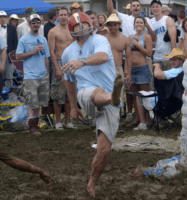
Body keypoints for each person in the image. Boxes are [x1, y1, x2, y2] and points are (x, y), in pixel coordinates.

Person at [62, 12, 123, 197]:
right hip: (86, 94)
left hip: (109, 99)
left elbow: (104, 56)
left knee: (104, 150)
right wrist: (73, 107)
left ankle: (91, 183)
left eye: (85, 29)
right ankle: (113, 96)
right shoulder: (67, 53)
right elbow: (69, 83)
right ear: (73, 31)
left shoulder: (100, 40)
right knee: (96, 92)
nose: (83, 33)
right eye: (79, 30)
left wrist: (82, 62)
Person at [16, 14, 50, 136]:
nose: (36, 24)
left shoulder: (43, 39)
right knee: (31, 101)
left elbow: (46, 57)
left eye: (38, 22)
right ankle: (32, 127)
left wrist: (47, 72)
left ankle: (36, 124)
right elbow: (18, 56)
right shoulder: (24, 39)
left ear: (40, 24)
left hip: (43, 75)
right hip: (30, 75)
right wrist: (33, 51)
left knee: (40, 102)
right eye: (33, 22)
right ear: (29, 24)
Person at [48, 7, 74, 130]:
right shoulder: (53, 31)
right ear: (57, 16)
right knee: (58, 95)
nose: (63, 17)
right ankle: (58, 121)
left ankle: (68, 121)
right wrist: (57, 68)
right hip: (59, 63)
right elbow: (51, 52)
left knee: (70, 95)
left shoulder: (72, 29)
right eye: (61, 15)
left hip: (71, 64)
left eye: (65, 14)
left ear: (68, 15)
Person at [103, 14, 131, 119]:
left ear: (119, 25)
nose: (113, 27)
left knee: (120, 93)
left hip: (119, 69)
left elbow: (128, 57)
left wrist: (127, 72)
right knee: (106, 92)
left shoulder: (124, 39)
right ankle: (107, 116)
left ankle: (119, 116)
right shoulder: (104, 38)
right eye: (110, 25)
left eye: (115, 25)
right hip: (106, 69)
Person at [128, 16, 153, 130]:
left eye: (141, 22)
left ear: (144, 24)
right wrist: (127, 70)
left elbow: (149, 53)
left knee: (144, 95)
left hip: (142, 68)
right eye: (137, 22)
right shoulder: (130, 37)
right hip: (132, 69)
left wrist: (138, 45)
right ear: (134, 24)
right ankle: (138, 118)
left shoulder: (147, 37)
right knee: (134, 96)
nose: (138, 24)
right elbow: (128, 55)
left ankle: (147, 119)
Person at [150, 0, 176, 71]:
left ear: (161, 8)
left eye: (157, 6)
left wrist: (173, 57)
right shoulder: (151, 21)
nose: (155, 9)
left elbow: (173, 38)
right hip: (156, 57)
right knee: (157, 81)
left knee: (169, 80)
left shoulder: (167, 19)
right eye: (153, 7)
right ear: (151, 9)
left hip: (167, 57)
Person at [0, 11, 18, 88]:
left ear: (6, 18)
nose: (2, 18)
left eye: (3, 17)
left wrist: (13, 54)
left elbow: (15, 42)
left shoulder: (12, 28)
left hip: (9, 54)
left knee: (9, 75)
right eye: (0, 17)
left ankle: (10, 92)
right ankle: (0, 91)